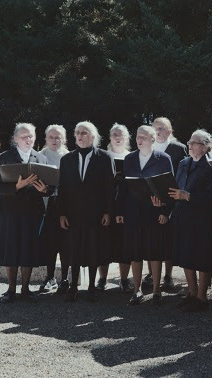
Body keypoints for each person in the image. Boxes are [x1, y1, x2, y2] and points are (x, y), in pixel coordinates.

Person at [0, 123, 52, 304]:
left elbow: (50, 186)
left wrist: (44, 189)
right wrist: (18, 186)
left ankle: (25, 289)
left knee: (29, 249)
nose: (28, 139)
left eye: (31, 136)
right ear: (15, 138)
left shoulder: (41, 158)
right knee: (11, 248)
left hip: (33, 211)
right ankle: (10, 289)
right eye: (24, 136)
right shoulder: (4, 158)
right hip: (9, 210)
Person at [116, 125, 174, 305]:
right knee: (135, 252)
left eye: (144, 137)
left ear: (152, 139)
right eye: (137, 137)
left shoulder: (163, 158)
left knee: (155, 251)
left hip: (154, 211)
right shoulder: (129, 158)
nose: (139, 140)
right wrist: (119, 211)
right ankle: (137, 290)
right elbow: (123, 187)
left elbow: (170, 187)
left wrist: (165, 210)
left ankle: (157, 290)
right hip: (133, 211)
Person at [57, 122, 114, 302]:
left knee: (92, 249)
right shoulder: (66, 159)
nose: (80, 136)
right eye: (77, 133)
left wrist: (108, 212)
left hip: (95, 213)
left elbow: (110, 188)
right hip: (72, 213)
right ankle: (73, 286)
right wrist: (62, 213)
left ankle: (91, 287)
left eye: (84, 133)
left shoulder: (105, 158)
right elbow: (62, 188)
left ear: (93, 137)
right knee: (73, 249)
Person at [168, 129, 212, 312]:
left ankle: (202, 297)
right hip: (183, 216)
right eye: (189, 142)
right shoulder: (184, 163)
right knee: (185, 254)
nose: (190, 146)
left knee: (203, 256)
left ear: (207, 147)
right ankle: (191, 293)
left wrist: (188, 196)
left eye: (195, 143)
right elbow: (176, 186)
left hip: (203, 218)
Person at [150, 117, 187, 292]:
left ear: (170, 131)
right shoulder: (147, 147)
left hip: (172, 198)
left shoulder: (178, 149)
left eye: (162, 128)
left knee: (169, 239)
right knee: (152, 240)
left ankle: (168, 276)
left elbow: (184, 173)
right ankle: (151, 275)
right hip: (151, 199)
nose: (158, 131)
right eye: (155, 128)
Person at [97, 123, 135, 293]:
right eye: (114, 134)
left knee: (124, 243)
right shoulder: (102, 157)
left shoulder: (133, 157)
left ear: (126, 138)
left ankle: (124, 280)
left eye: (121, 135)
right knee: (103, 243)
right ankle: (102, 279)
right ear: (110, 138)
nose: (117, 137)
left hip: (125, 207)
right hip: (105, 205)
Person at [38, 124, 70, 294]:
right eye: (51, 137)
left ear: (64, 140)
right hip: (48, 203)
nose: (54, 140)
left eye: (58, 137)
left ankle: (65, 278)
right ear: (46, 139)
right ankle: (50, 277)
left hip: (66, 204)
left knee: (65, 241)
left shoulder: (69, 156)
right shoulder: (40, 156)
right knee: (50, 243)